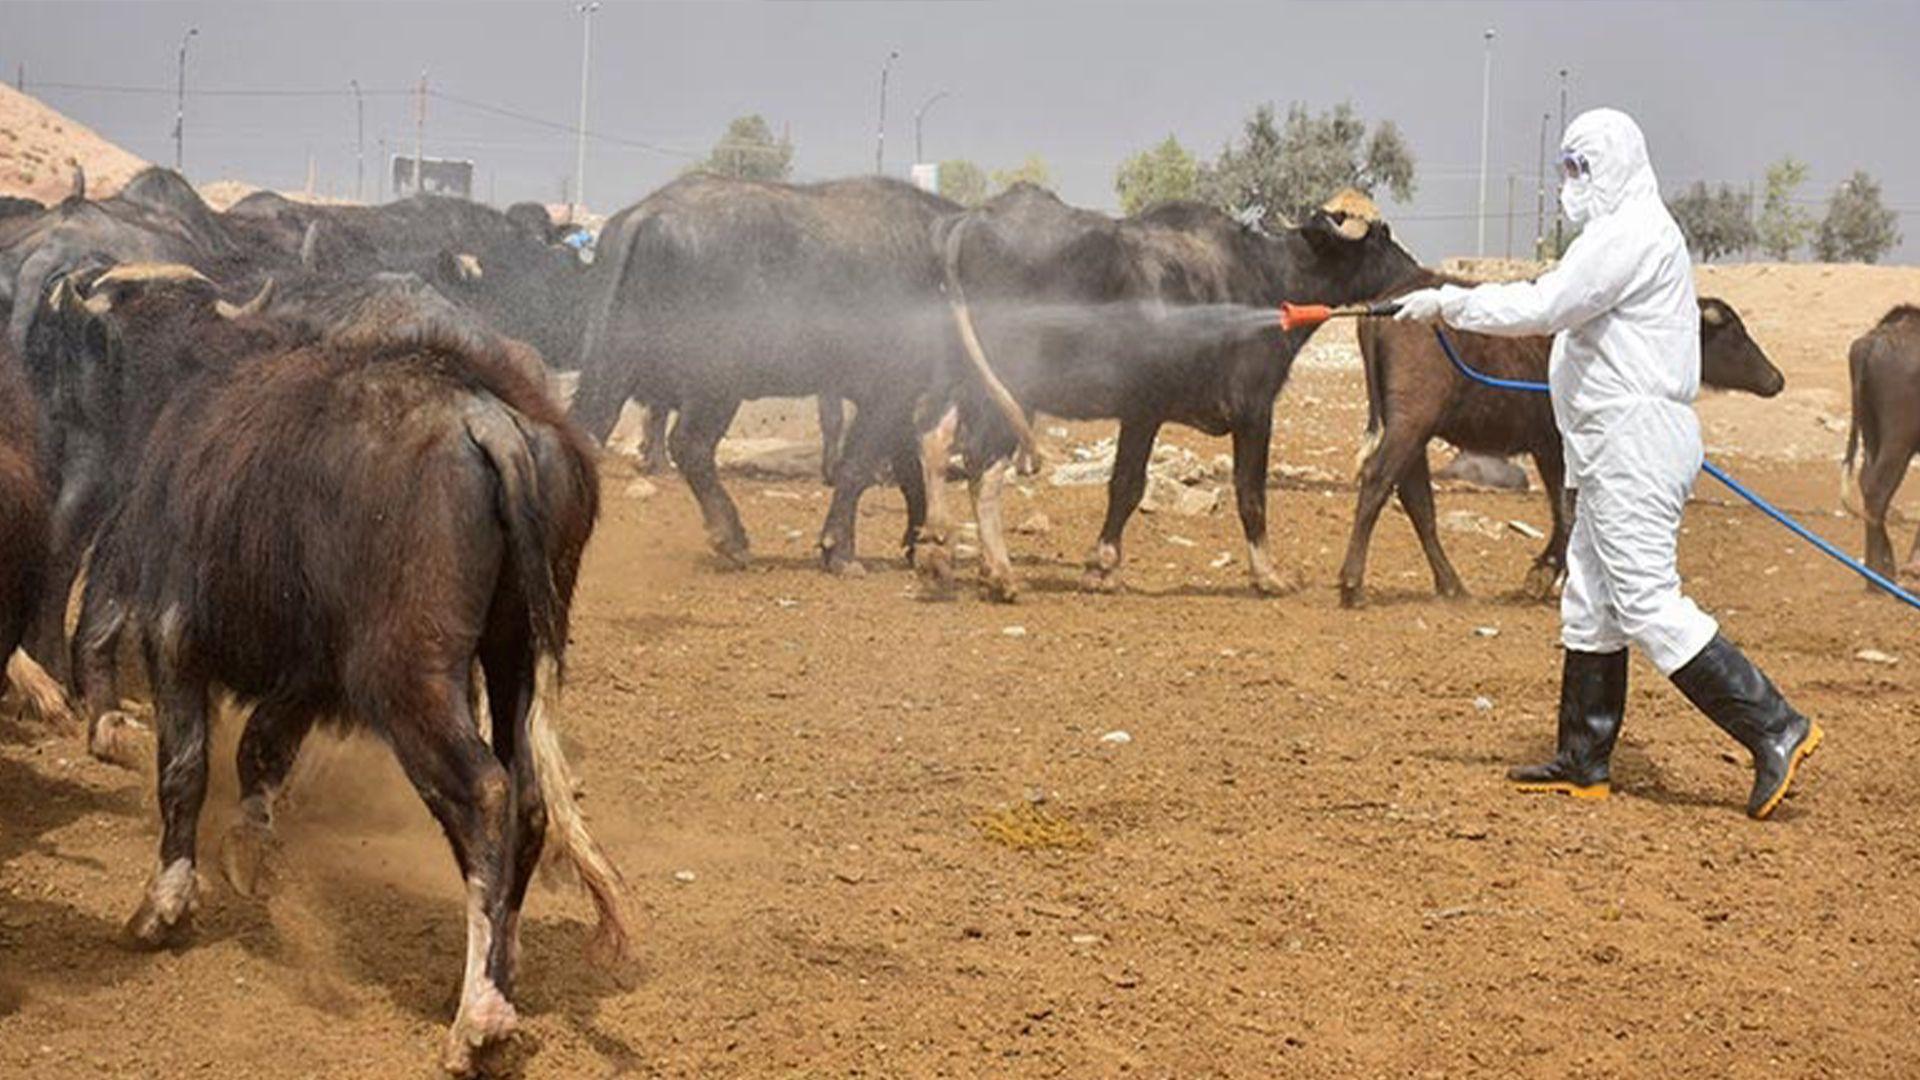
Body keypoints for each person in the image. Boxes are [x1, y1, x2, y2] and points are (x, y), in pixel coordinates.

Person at [1393, 108, 1822, 820]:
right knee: (1590, 598)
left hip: (1634, 440)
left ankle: (1774, 724)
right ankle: (1584, 757)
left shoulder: (1632, 234)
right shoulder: (1616, 235)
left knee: (1648, 600)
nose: (1570, 183)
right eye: (1566, 168)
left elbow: (1550, 303)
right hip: (1606, 441)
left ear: (1617, 164)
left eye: (1581, 167)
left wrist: (1448, 303)